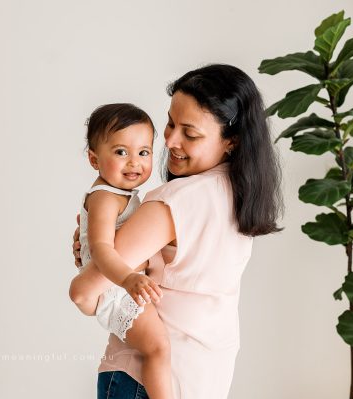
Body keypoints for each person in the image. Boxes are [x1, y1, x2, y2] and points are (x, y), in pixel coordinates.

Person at [69, 64, 284, 399]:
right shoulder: (242, 195)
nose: (169, 141)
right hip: (206, 374)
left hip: (142, 380)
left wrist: (94, 264)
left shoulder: (175, 202)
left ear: (231, 141)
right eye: (170, 123)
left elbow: (84, 293)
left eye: (190, 133)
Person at [76, 103, 173, 399]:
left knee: (156, 346)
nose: (134, 162)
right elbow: (102, 250)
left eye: (143, 152)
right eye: (121, 152)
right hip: (116, 290)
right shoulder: (105, 196)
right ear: (94, 159)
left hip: (117, 287)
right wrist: (128, 279)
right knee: (158, 347)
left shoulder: (119, 194)